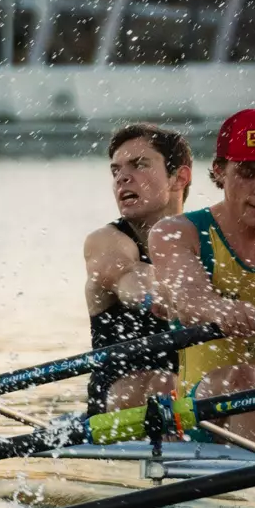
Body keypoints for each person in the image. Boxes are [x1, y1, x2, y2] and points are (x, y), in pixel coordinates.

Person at [149, 108, 255, 453]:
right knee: (246, 378)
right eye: (248, 173)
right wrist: (219, 308)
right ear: (219, 171)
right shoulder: (177, 232)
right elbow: (187, 296)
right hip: (208, 405)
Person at [83, 123, 191, 414]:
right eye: (115, 170)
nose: (123, 178)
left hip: (194, 395)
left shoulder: (208, 239)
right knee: (164, 381)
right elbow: (130, 276)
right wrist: (152, 297)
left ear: (179, 177)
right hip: (119, 403)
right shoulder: (105, 241)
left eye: (139, 165)